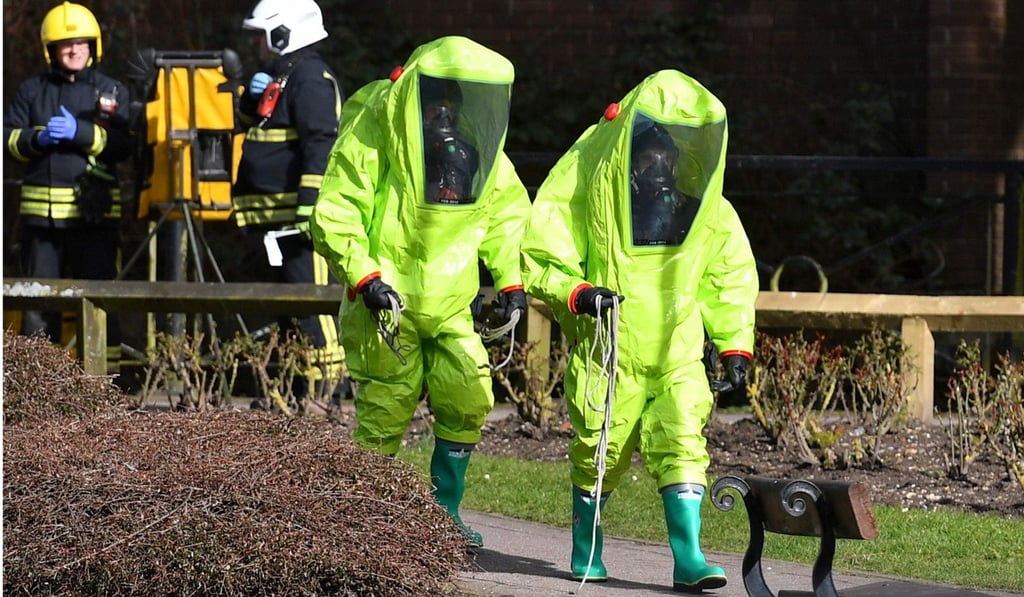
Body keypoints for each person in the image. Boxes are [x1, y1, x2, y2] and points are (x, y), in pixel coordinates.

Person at [520, 69, 758, 592]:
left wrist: (734, 343)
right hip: (609, 352)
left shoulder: (703, 210)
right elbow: (541, 253)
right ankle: (587, 550)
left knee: (682, 441)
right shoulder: (589, 183)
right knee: (597, 451)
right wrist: (579, 293)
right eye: (648, 157)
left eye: (667, 156)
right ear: (627, 153)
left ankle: (689, 557)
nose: (659, 168)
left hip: (677, 353)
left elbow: (729, 276)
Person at [310, 36, 531, 547]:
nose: (445, 120)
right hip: (388, 301)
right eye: (435, 109)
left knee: (467, 394)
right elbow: (337, 210)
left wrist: (511, 280)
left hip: (452, 301)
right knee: (385, 408)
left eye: (452, 109)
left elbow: (504, 216)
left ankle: (443, 516)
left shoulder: (476, 150)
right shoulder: (377, 130)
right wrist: (365, 276)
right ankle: (361, 522)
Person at [3, 1, 131, 376]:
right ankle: (39, 392)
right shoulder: (32, 91)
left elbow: (124, 146)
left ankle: (108, 390)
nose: (75, 49)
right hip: (42, 227)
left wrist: (86, 134)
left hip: (95, 221)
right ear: (51, 50)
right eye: (65, 44)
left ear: (94, 46)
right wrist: (36, 139)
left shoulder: (111, 91)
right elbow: (6, 139)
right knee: (40, 309)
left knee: (101, 304)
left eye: (81, 42)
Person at [232, 0, 347, 406]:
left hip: (297, 222)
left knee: (311, 305)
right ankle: (292, 391)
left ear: (283, 33)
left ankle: (326, 394)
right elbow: (251, 124)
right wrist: (250, 100)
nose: (257, 45)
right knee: (285, 310)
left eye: (262, 35)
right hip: (272, 222)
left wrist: (309, 208)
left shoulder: (311, 79)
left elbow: (321, 146)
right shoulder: (283, 73)